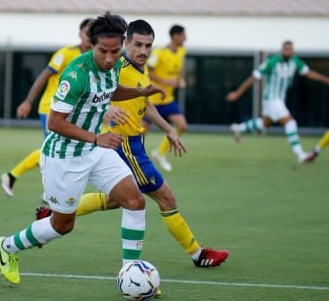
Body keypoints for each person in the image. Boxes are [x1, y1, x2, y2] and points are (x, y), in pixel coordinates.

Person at [36, 20, 229, 270]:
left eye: (148, 45)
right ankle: (198, 253)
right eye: (137, 44)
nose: (143, 51)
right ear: (125, 43)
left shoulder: (139, 68)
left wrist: (168, 129)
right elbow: (97, 95)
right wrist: (106, 111)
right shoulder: (116, 65)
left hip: (134, 142)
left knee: (118, 200)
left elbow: (144, 101)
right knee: (166, 198)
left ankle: (52, 215)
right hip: (124, 144)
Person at [0, 12, 164, 285]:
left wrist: (140, 92)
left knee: (135, 201)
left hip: (94, 150)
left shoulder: (115, 64)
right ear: (91, 44)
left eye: (114, 51)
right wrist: (96, 139)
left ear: (122, 45)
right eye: (102, 51)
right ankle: (8, 246)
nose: (109, 58)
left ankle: (132, 275)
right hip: (64, 157)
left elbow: (111, 90)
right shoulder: (75, 74)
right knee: (62, 226)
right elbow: (55, 122)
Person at [0, 18, 92, 196]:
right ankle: (13, 176)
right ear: (79, 34)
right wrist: (28, 101)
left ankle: (48, 189)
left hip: (73, 109)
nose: (88, 36)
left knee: (63, 150)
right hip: (51, 106)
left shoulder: (95, 58)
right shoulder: (65, 53)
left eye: (92, 33)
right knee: (53, 148)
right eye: (86, 32)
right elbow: (43, 76)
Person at [226, 40, 329, 163]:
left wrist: (327, 80)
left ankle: (238, 128)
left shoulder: (295, 61)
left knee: (266, 123)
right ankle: (300, 154)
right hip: (271, 98)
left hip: (279, 99)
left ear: (293, 51)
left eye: (290, 49)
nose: (288, 51)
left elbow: (309, 73)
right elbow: (253, 78)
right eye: (285, 49)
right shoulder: (272, 62)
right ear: (281, 50)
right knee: (290, 122)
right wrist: (238, 93)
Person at [143, 25, 188, 172]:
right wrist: (165, 81)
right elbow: (147, 70)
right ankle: (135, 159)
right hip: (153, 101)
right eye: (183, 35)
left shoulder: (182, 51)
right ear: (175, 36)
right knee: (141, 133)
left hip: (168, 99)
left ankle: (160, 153)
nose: (185, 38)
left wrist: (181, 79)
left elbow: (179, 68)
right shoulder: (159, 52)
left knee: (182, 126)